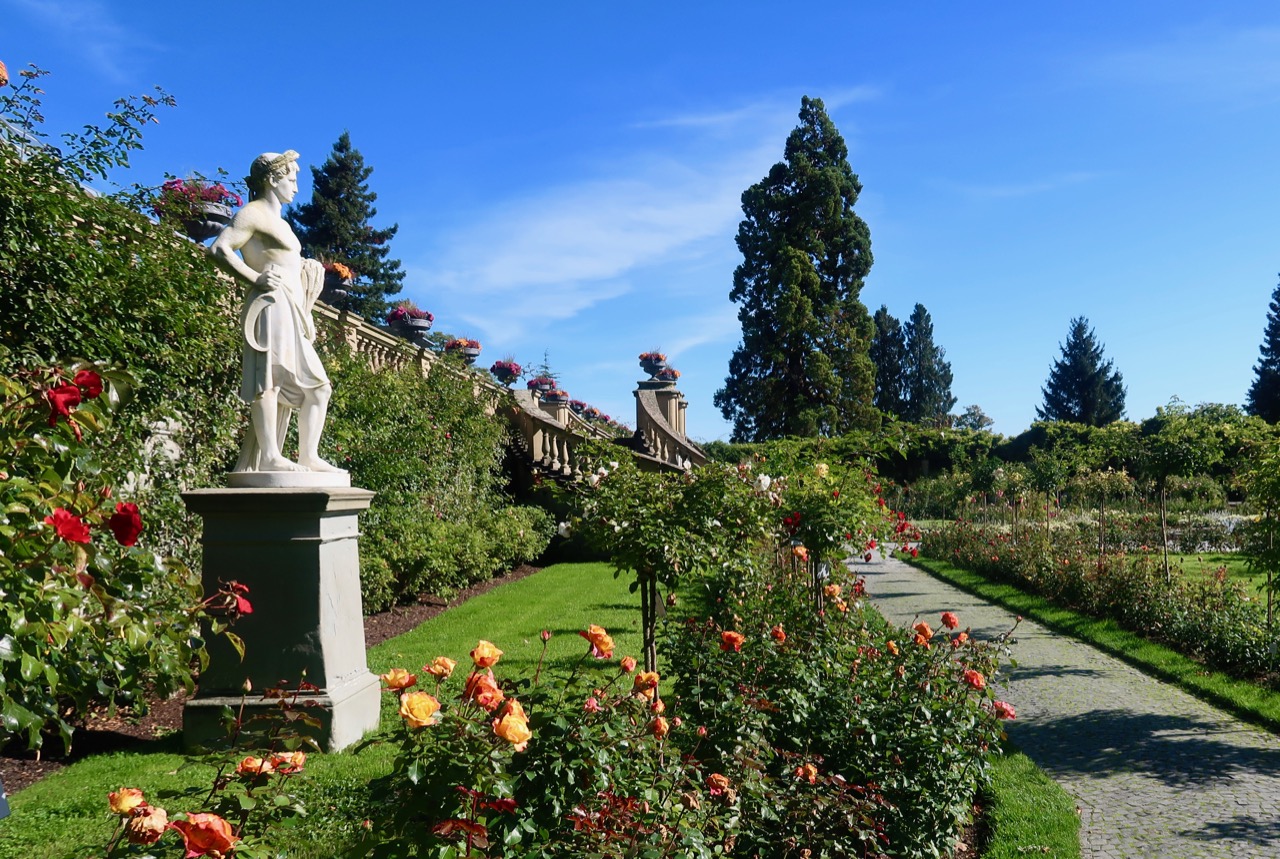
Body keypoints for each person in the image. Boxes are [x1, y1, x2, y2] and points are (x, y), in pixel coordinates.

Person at [211, 150, 343, 475]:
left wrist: (306, 269)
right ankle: (270, 456)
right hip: (269, 305)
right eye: (292, 179)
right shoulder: (253, 213)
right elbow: (218, 248)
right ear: (272, 179)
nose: (296, 187)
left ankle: (308, 456)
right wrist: (255, 277)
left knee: (318, 387)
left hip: (291, 309)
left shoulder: (281, 222)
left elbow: (283, 261)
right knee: (267, 381)